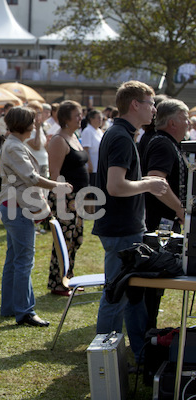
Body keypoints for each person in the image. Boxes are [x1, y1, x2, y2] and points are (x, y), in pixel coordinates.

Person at [93, 81, 168, 361]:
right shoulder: (121, 137)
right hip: (121, 229)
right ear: (135, 104)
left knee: (130, 296)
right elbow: (116, 186)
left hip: (123, 227)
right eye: (150, 103)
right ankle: (104, 359)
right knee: (115, 295)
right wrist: (148, 184)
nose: (154, 109)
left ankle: (138, 353)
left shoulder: (121, 133)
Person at [0, 106, 72, 327]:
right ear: (23, 124)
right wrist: (58, 185)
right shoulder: (13, 146)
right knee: (23, 261)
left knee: (14, 259)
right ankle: (25, 311)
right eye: (32, 122)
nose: (35, 126)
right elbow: (31, 177)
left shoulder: (13, 144)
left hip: (15, 205)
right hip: (18, 206)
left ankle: (12, 306)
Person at [46, 100, 89, 295]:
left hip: (77, 199)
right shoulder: (58, 140)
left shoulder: (74, 137)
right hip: (65, 200)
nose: (80, 118)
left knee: (76, 240)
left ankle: (68, 278)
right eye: (77, 115)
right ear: (65, 118)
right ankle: (57, 282)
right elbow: (53, 174)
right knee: (63, 241)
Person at [142, 98, 189, 232]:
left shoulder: (168, 142)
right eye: (185, 119)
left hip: (167, 220)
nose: (188, 124)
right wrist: (180, 210)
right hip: (160, 223)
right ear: (172, 123)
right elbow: (155, 179)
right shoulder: (162, 144)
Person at [24, 101, 49, 178]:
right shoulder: (26, 129)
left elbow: (43, 147)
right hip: (34, 164)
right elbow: (36, 146)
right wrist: (38, 130)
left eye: (39, 113)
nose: (38, 116)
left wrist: (49, 141)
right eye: (35, 113)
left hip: (44, 163)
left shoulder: (40, 127)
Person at [81, 109, 104, 186]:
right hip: (92, 166)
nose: (100, 120)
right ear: (91, 119)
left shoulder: (99, 131)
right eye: (98, 118)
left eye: (101, 118)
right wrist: (89, 164)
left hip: (99, 165)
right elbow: (86, 149)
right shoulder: (87, 131)